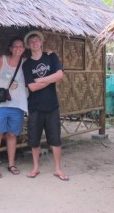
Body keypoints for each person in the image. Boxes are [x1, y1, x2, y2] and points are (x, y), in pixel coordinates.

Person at [22, 30, 69, 181]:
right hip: (35, 107)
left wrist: (40, 80)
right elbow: (32, 87)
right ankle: (35, 167)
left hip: (52, 106)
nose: (35, 43)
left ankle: (58, 169)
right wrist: (51, 79)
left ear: (41, 43)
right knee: (34, 139)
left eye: (37, 40)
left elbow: (60, 75)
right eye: (31, 42)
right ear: (28, 46)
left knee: (55, 139)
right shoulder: (27, 64)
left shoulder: (51, 56)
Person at [0, 37, 28, 178]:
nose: (18, 49)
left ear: (24, 48)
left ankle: (11, 164)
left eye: (21, 46)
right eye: (15, 46)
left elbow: (40, 59)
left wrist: (49, 53)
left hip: (17, 105)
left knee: (12, 134)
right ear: (10, 48)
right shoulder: (2, 60)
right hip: (0, 104)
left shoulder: (26, 63)